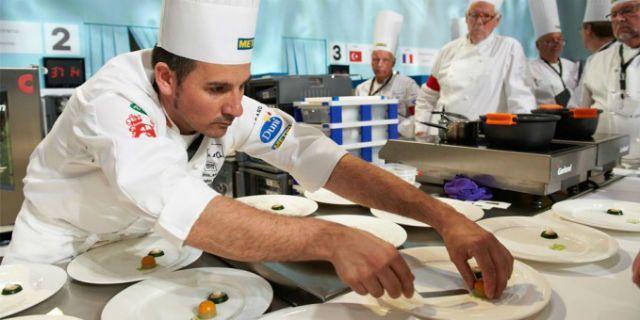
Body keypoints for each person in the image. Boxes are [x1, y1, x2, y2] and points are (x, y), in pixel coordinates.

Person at [3, 0, 514, 300]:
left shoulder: (227, 105)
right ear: (165, 79)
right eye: (218, 89)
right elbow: (186, 207)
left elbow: (312, 155)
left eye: (241, 86)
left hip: (146, 244)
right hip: (60, 246)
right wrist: (333, 239)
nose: (236, 107)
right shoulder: (114, 104)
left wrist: (442, 216)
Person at [414, 0, 535, 137]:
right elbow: (428, 94)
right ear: (466, 18)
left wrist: (526, 134)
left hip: (485, 137)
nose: (478, 21)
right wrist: (420, 128)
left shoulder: (508, 48)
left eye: (485, 16)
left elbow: (519, 96)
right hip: (443, 135)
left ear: (497, 20)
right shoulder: (448, 50)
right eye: (474, 15)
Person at [572, 0, 640, 169]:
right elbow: (580, 112)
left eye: (627, 11)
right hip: (604, 166)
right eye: (614, 14)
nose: (619, 19)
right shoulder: (596, 60)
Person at [354, 10, 419, 138]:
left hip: (399, 141)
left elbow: (419, 114)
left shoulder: (407, 85)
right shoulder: (361, 89)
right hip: (369, 140)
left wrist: (397, 130)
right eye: (376, 59)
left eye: (385, 60)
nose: (379, 64)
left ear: (393, 62)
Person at [526, 0, 579, 107]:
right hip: (546, 119)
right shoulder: (529, 69)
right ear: (537, 45)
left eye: (559, 40)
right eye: (549, 41)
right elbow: (526, 101)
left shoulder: (572, 66)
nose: (556, 44)